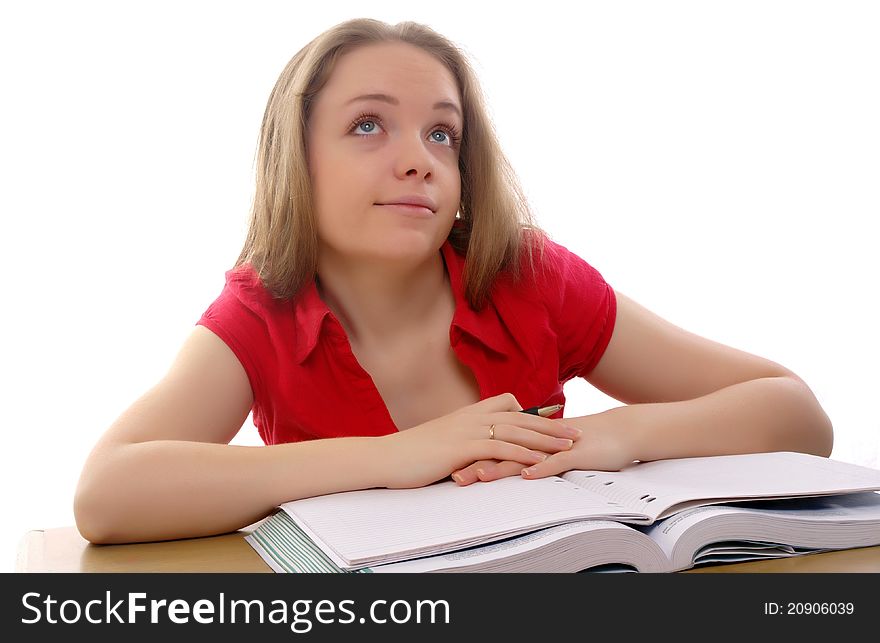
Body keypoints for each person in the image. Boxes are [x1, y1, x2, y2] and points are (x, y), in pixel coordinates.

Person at [73, 18, 833, 545]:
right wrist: (400, 456)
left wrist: (610, 435)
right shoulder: (262, 312)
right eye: (369, 124)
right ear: (294, 160)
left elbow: (797, 415)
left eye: (442, 132)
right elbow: (106, 494)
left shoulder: (528, 277)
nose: (419, 159)